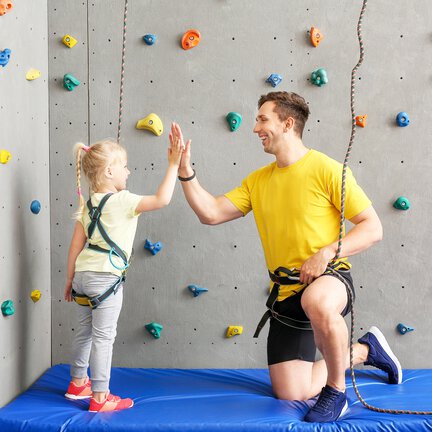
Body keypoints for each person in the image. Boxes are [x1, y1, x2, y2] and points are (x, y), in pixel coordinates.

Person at [172, 91, 402, 423]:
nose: (255, 128)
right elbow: (211, 213)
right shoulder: (258, 181)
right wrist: (185, 172)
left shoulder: (326, 169)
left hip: (329, 278)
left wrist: (326, 253)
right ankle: (366, 350)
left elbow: (372, 227)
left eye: (263, 119)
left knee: (318, 302)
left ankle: (337, 394)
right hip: (285, 295)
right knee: (291, 392)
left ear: (287, 123)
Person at [64, 136, 183, 412]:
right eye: (125, 166)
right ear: (108, 171)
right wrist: (173, 164)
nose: (128, 171)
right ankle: (99, 398)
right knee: (104, 337)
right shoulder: (124, 200)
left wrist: (70, 280)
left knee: (84, 332)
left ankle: (77, 382)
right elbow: (162, 199)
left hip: (83, 276)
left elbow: (75, 246)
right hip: (106, 279)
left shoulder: (89, 205)